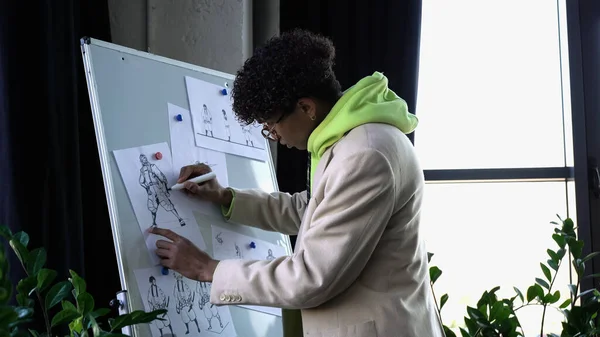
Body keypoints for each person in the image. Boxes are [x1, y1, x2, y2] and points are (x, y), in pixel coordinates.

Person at [150, 29, 445, 337]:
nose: (272, 135)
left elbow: (312, 276)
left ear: (306, 107)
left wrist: (208, 269)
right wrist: (225, 197)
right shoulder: (350, 139)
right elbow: (312, 209)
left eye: (272, 123)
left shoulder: (366, 153)